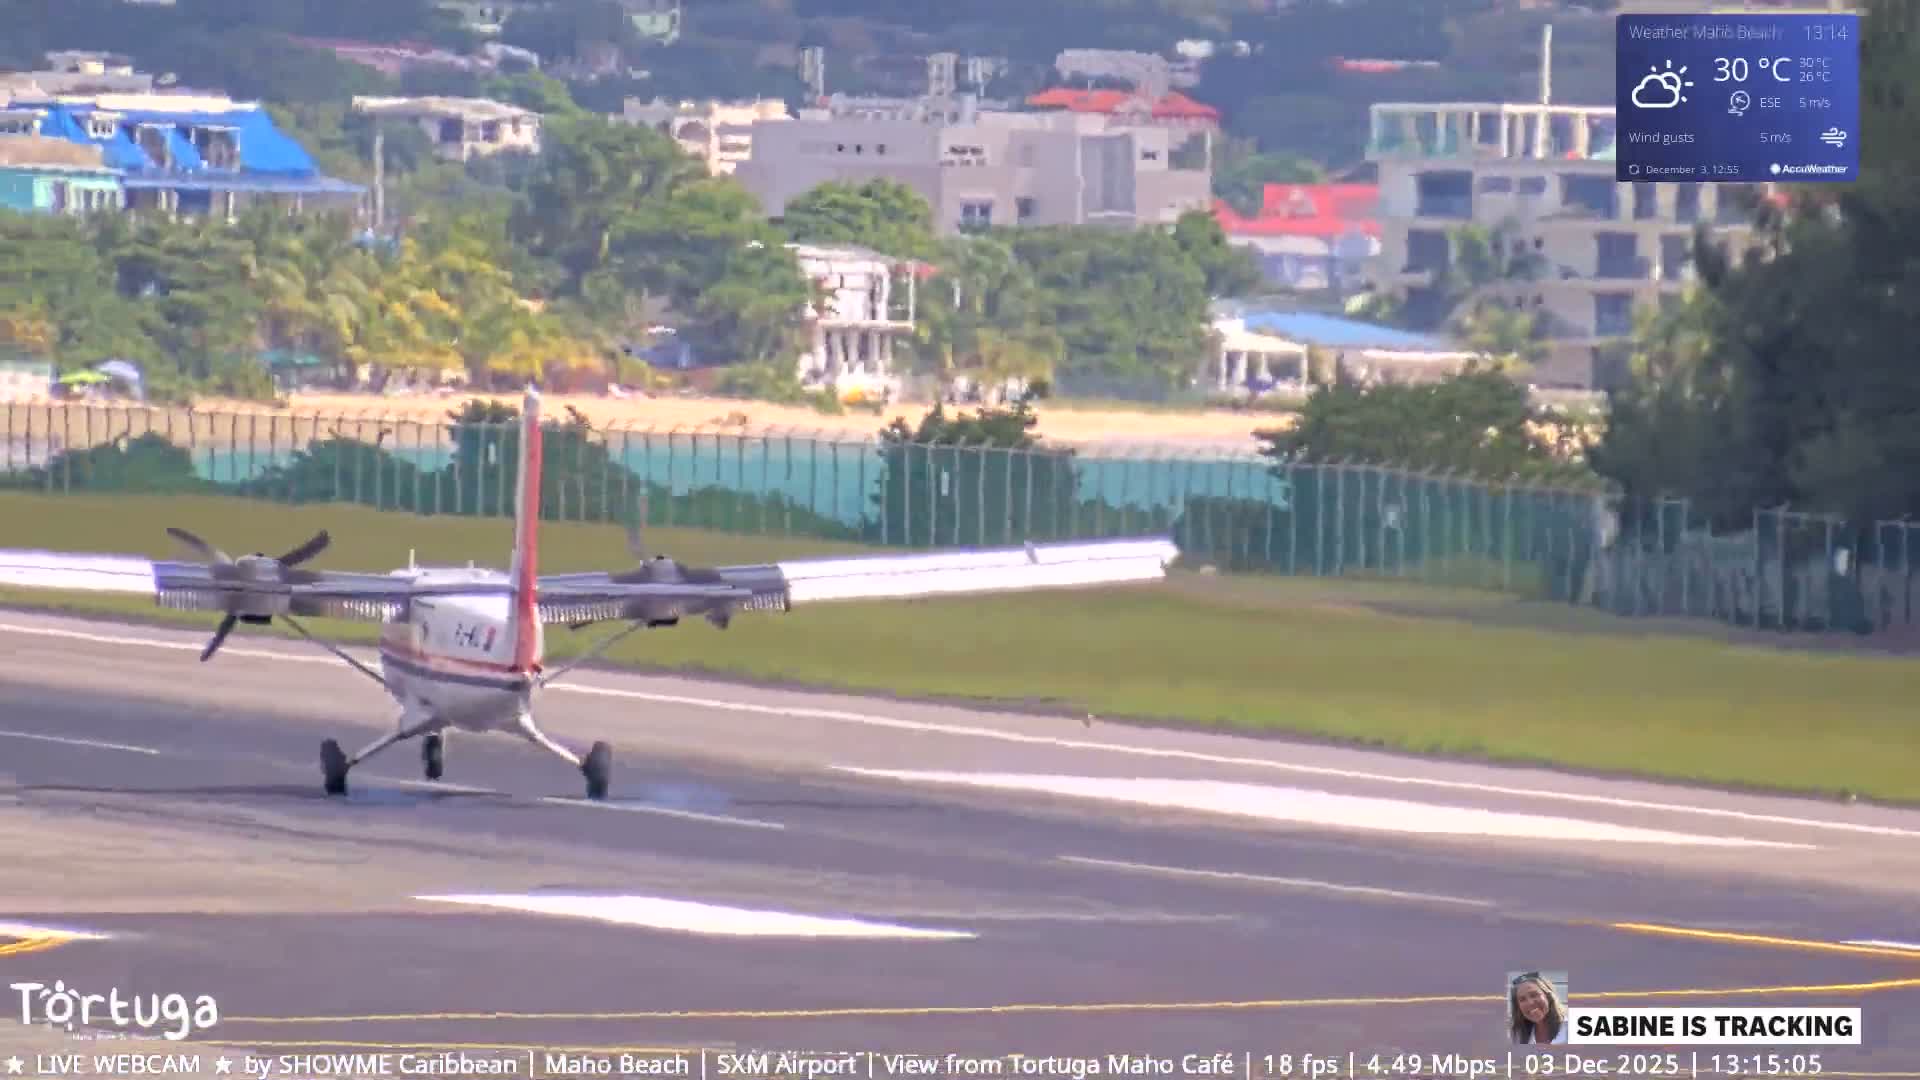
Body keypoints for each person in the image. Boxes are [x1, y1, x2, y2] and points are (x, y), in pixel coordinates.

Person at [1509, 972, 1568, 1044]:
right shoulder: (1516, 1035)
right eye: (1522, 999)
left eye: (1534, 995)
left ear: (1548, 996)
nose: (1530, 1003)